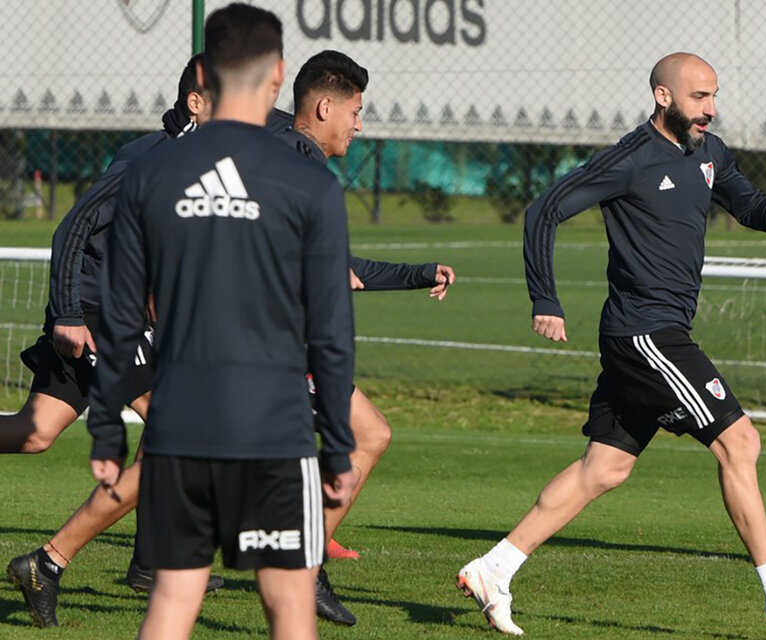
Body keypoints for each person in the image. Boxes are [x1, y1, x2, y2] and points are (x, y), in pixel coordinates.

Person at [456, 52, 766, 636]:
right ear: (664, 97)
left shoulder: (710, 153)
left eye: (714, 96)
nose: (710, 108)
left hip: (657, 332)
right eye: (699, 97)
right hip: (644, 334)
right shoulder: (630, 158)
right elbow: (544, 211)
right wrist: (546, 299)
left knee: (602, 469)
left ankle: (494, 567)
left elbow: (749, 205)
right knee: (740, 441)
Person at [86, 5, 356, 639]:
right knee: (289, 603)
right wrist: (338, 443)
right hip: (276, 428)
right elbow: (331, 329)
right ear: (278, 75)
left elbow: (122, 316)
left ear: (203, 73)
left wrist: (105, 430)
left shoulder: (150, 171)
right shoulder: (306, 180)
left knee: (174, 600)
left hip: (179, 423)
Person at [4, 54, 225, 629]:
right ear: (197, 103)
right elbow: (71, 226)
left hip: (114, 313)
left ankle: (152, 559)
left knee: (34, 434)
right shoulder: (156, 156)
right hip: (96, 316)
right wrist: (68, 313)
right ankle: (48, 564)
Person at [277, 49, 456, 626]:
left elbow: (335, 263)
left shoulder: (291, 159)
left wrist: (414, 274)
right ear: (325, 107)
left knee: (368, 435)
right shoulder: (296, 167)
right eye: (354, 110)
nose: (359, 123)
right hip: (266, 344)